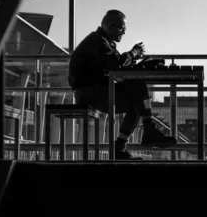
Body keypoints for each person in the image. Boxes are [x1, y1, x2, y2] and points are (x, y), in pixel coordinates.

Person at [68, 9, 177, 159]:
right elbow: (116, 65)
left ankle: (124, 144)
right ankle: (146, 131)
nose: (123, 33)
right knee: (138, 90)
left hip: (94, 90)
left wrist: (131, 58)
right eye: (122, 29)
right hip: (90, 93)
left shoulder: (103, 42)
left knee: (137, 100)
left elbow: (115, 66)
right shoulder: (98, 42)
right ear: (107, 26)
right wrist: (133, 54)